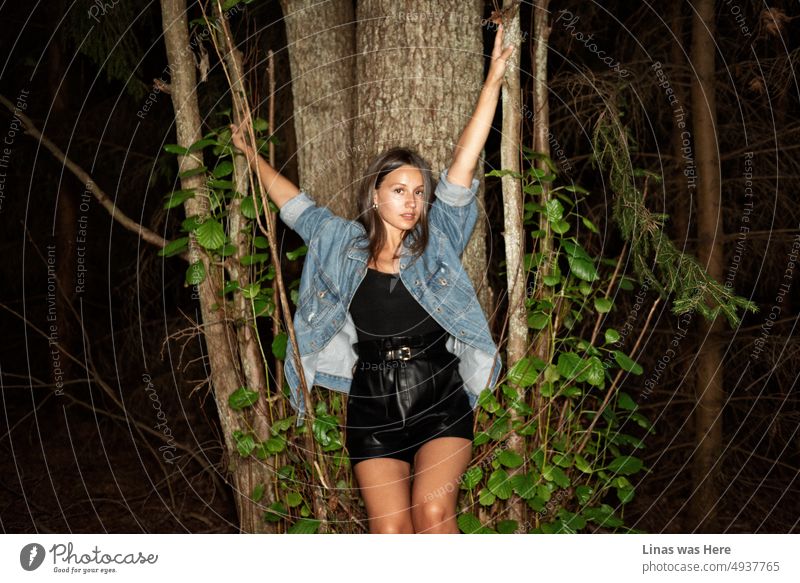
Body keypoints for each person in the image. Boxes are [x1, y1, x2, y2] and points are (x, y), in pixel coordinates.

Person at [230, 25, 514, 534]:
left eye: (418, 192)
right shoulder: (341, 244)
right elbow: (295, 206)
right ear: (375, 196)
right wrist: (252, 156)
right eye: (399, 190)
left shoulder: (440, 236)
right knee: (390, 533)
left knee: (433, 514)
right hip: (371, 402)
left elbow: (463, 165)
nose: (412, 201)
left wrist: (492, 82)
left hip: (439, 393)